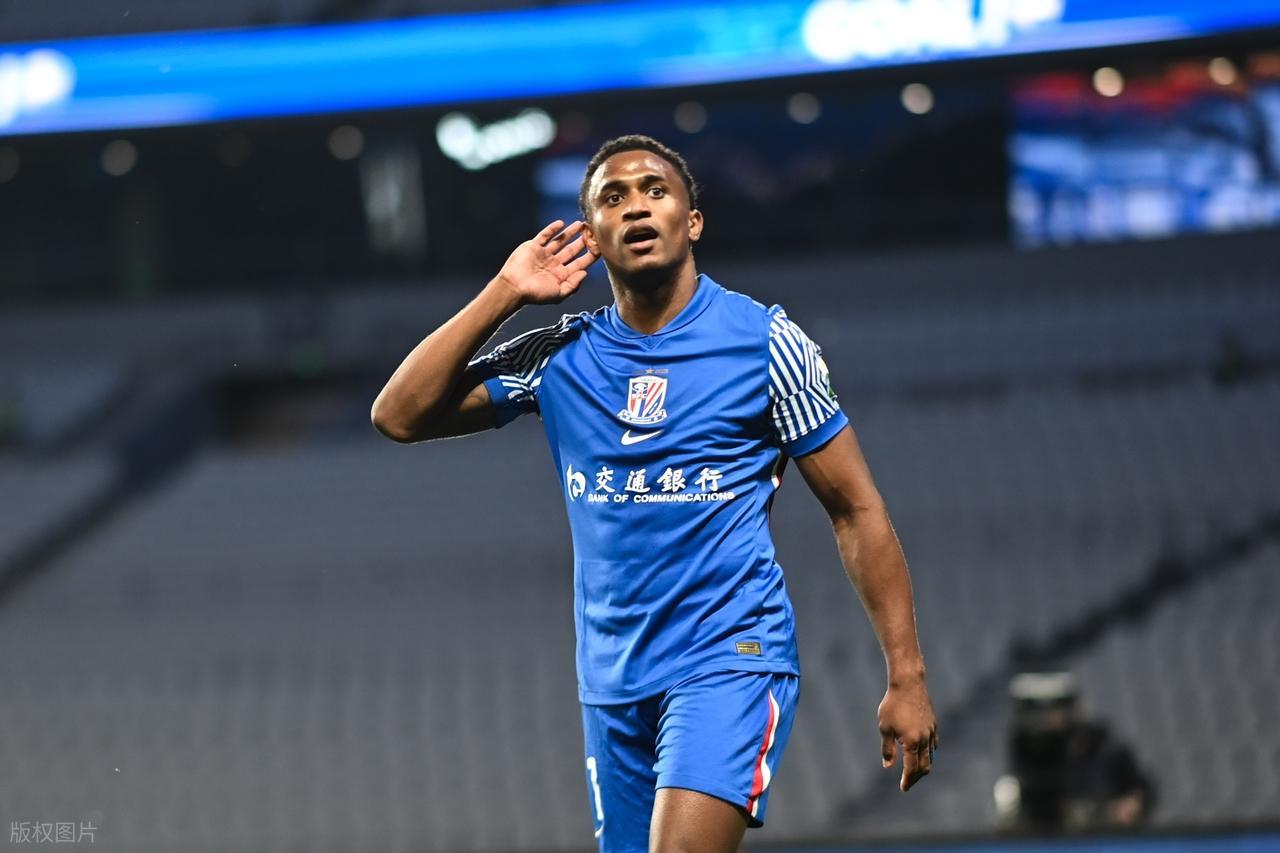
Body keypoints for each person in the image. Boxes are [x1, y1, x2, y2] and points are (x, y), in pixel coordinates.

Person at [371, 134, 938, 852]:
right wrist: (505, 293)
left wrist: (906, 674)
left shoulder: (766, 343)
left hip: (729, 657)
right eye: (613, 198)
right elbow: (398, 415)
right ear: (591, 237)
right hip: (611, 682)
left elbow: (856, 509)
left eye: (654, 190)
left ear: (692, 221)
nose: (635, 206)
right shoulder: (559, 355)